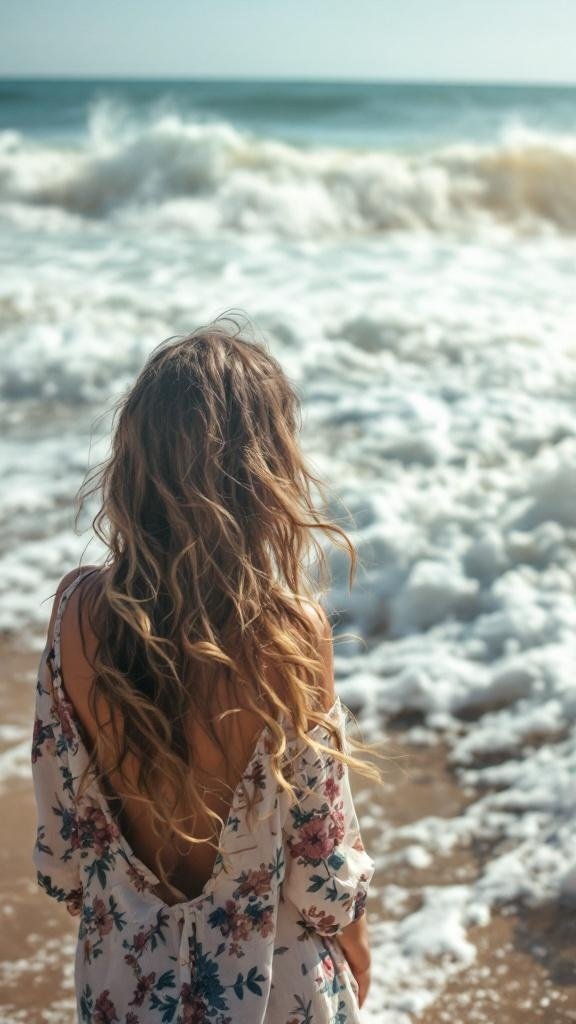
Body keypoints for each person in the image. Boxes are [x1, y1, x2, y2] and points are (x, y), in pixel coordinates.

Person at [30, 317, 381, 1023]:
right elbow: (321, 875)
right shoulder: (287, 634)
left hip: (122, 985)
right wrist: (359, 957)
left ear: (134, 461)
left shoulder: (75, 614)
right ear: (264, 475)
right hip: (271, 991)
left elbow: (65, 858)